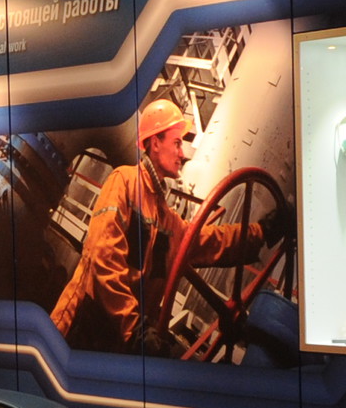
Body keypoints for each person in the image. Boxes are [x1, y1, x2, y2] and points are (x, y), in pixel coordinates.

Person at [51, 98, 287, 355]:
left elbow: (209, 241)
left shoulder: (166, 218)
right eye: (176, 143)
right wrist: (136, 328)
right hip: (79, 329)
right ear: (155, 143)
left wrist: (262, 231)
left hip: (119, 345)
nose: (182, 154)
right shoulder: (124, 181)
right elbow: (103, 256)